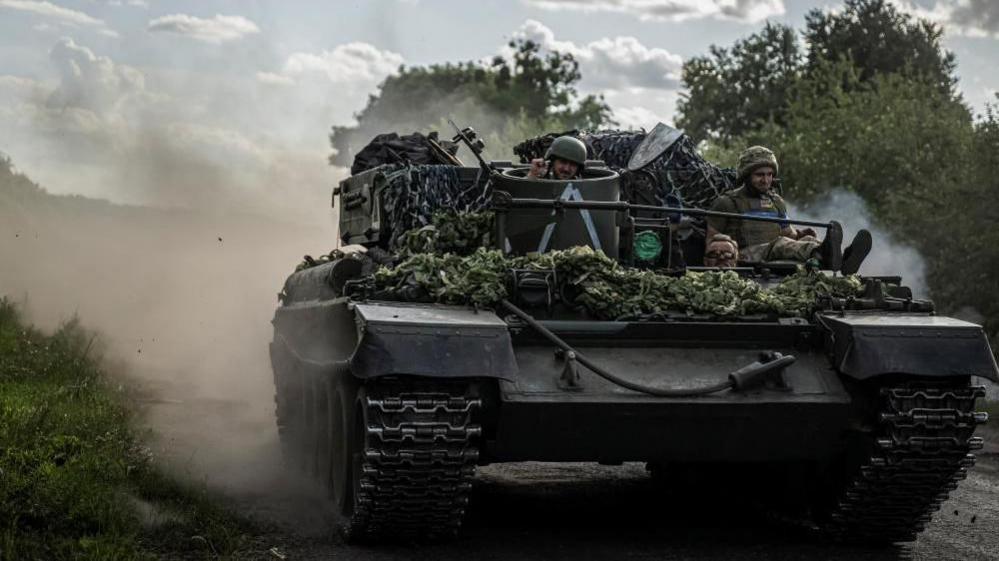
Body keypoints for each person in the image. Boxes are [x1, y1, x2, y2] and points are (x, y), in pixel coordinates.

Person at [706, 146, 872, 274]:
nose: (766, 180)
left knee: (807, 240)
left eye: (770, 174)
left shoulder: (776, 201)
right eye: (760, 175)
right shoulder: (726, 203)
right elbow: (711, 244)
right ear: (746, 175)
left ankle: (842, 259)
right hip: (744, 256)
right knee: (780, 244)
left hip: (773, 251)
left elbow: (788, 235)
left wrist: (801, 235)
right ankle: (825, 253)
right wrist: (726, 257)